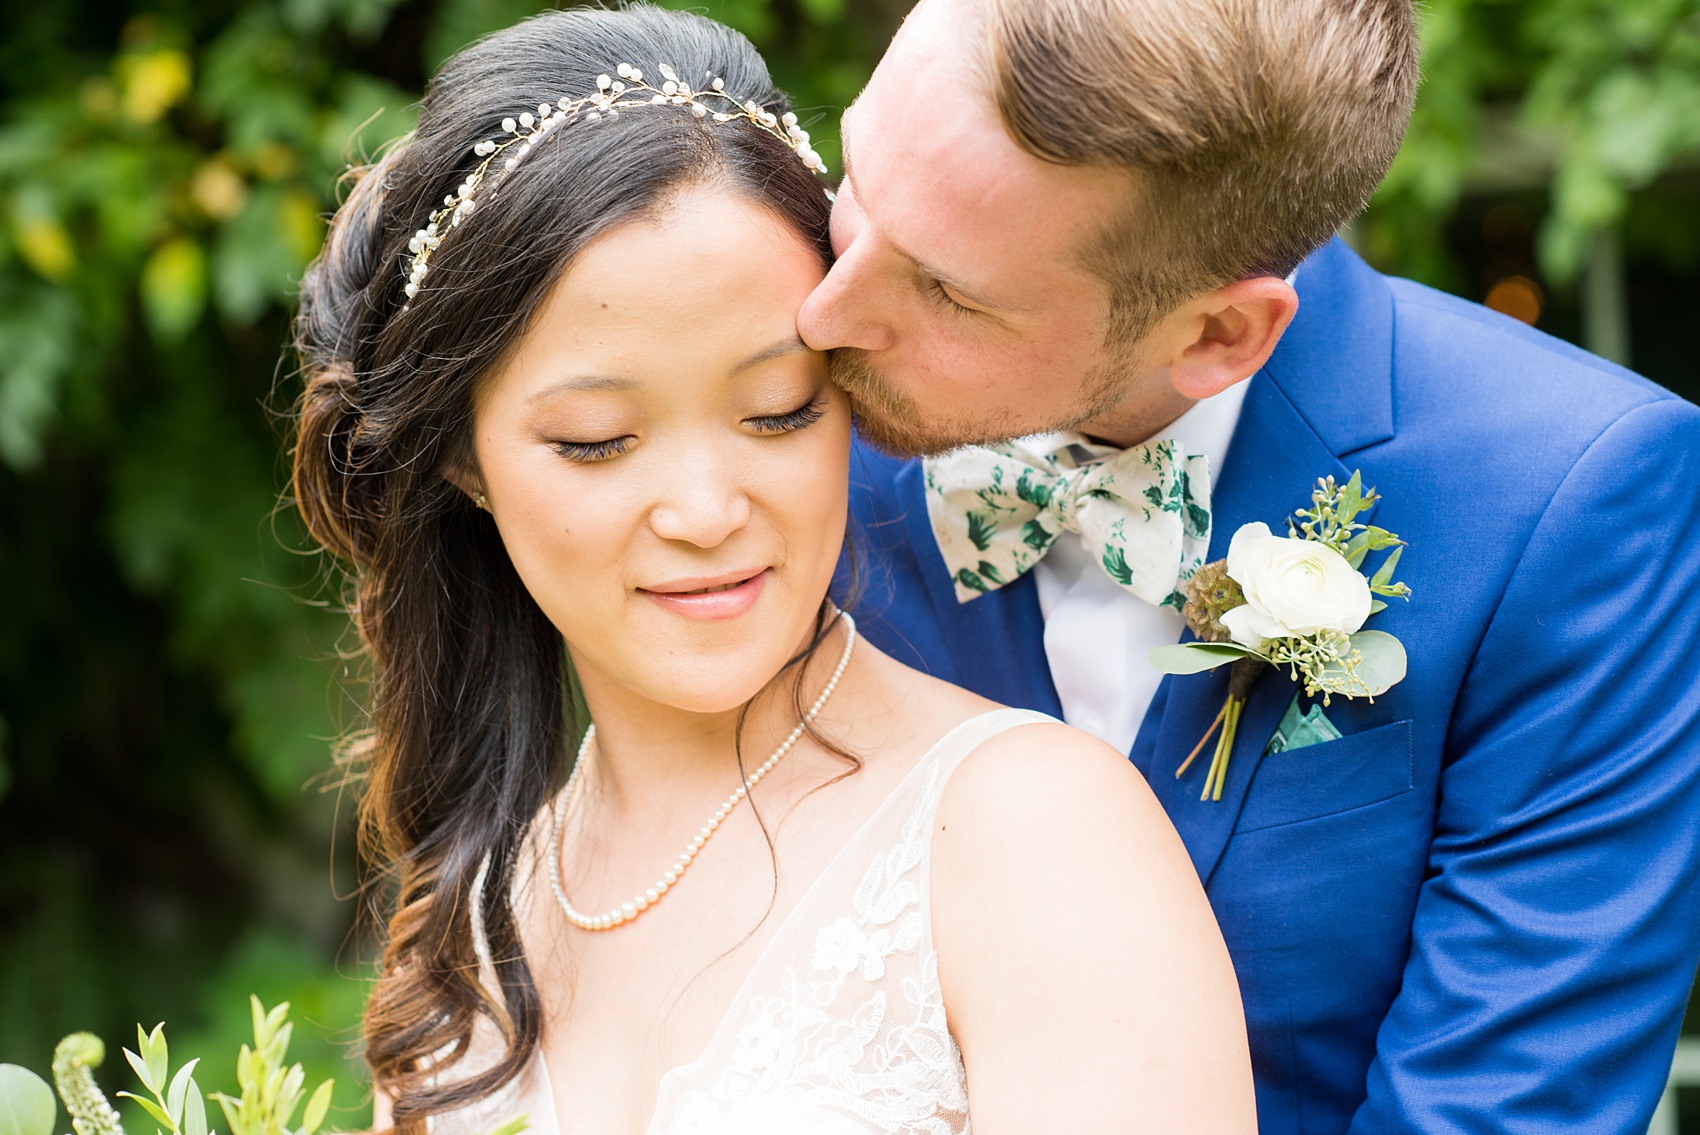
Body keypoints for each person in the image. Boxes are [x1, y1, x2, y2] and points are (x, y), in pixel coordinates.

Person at [290, 7, 1253, 1134]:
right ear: (463, 456)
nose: (705, 513)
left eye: (776, 412)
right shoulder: (468, 930)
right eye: (598, 438)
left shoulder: (1029, 837)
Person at [797, 0, 1700, 1131]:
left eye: (948, 292)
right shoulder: (767, 439)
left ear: (1219, 336)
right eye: (854, 179)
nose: (821, 316)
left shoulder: (1567, 500)